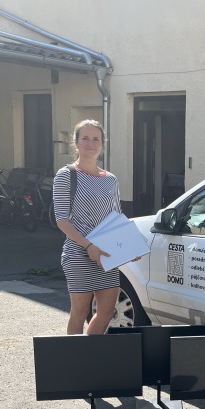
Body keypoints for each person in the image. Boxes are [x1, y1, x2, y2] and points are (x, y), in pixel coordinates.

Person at [53, 119, 120, 335]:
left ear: (102, 144)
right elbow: (62, 220)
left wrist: (128, 247)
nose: (91, 144)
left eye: (96, 139)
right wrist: (89, 245)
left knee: (106, 313)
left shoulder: (110, 179)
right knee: (80, 312)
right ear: (76, 142)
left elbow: (116, 218)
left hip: (106, 255)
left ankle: (91, 352)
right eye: (85, 138)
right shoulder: (66, 175)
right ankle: (74, 356)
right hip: (78, 253)